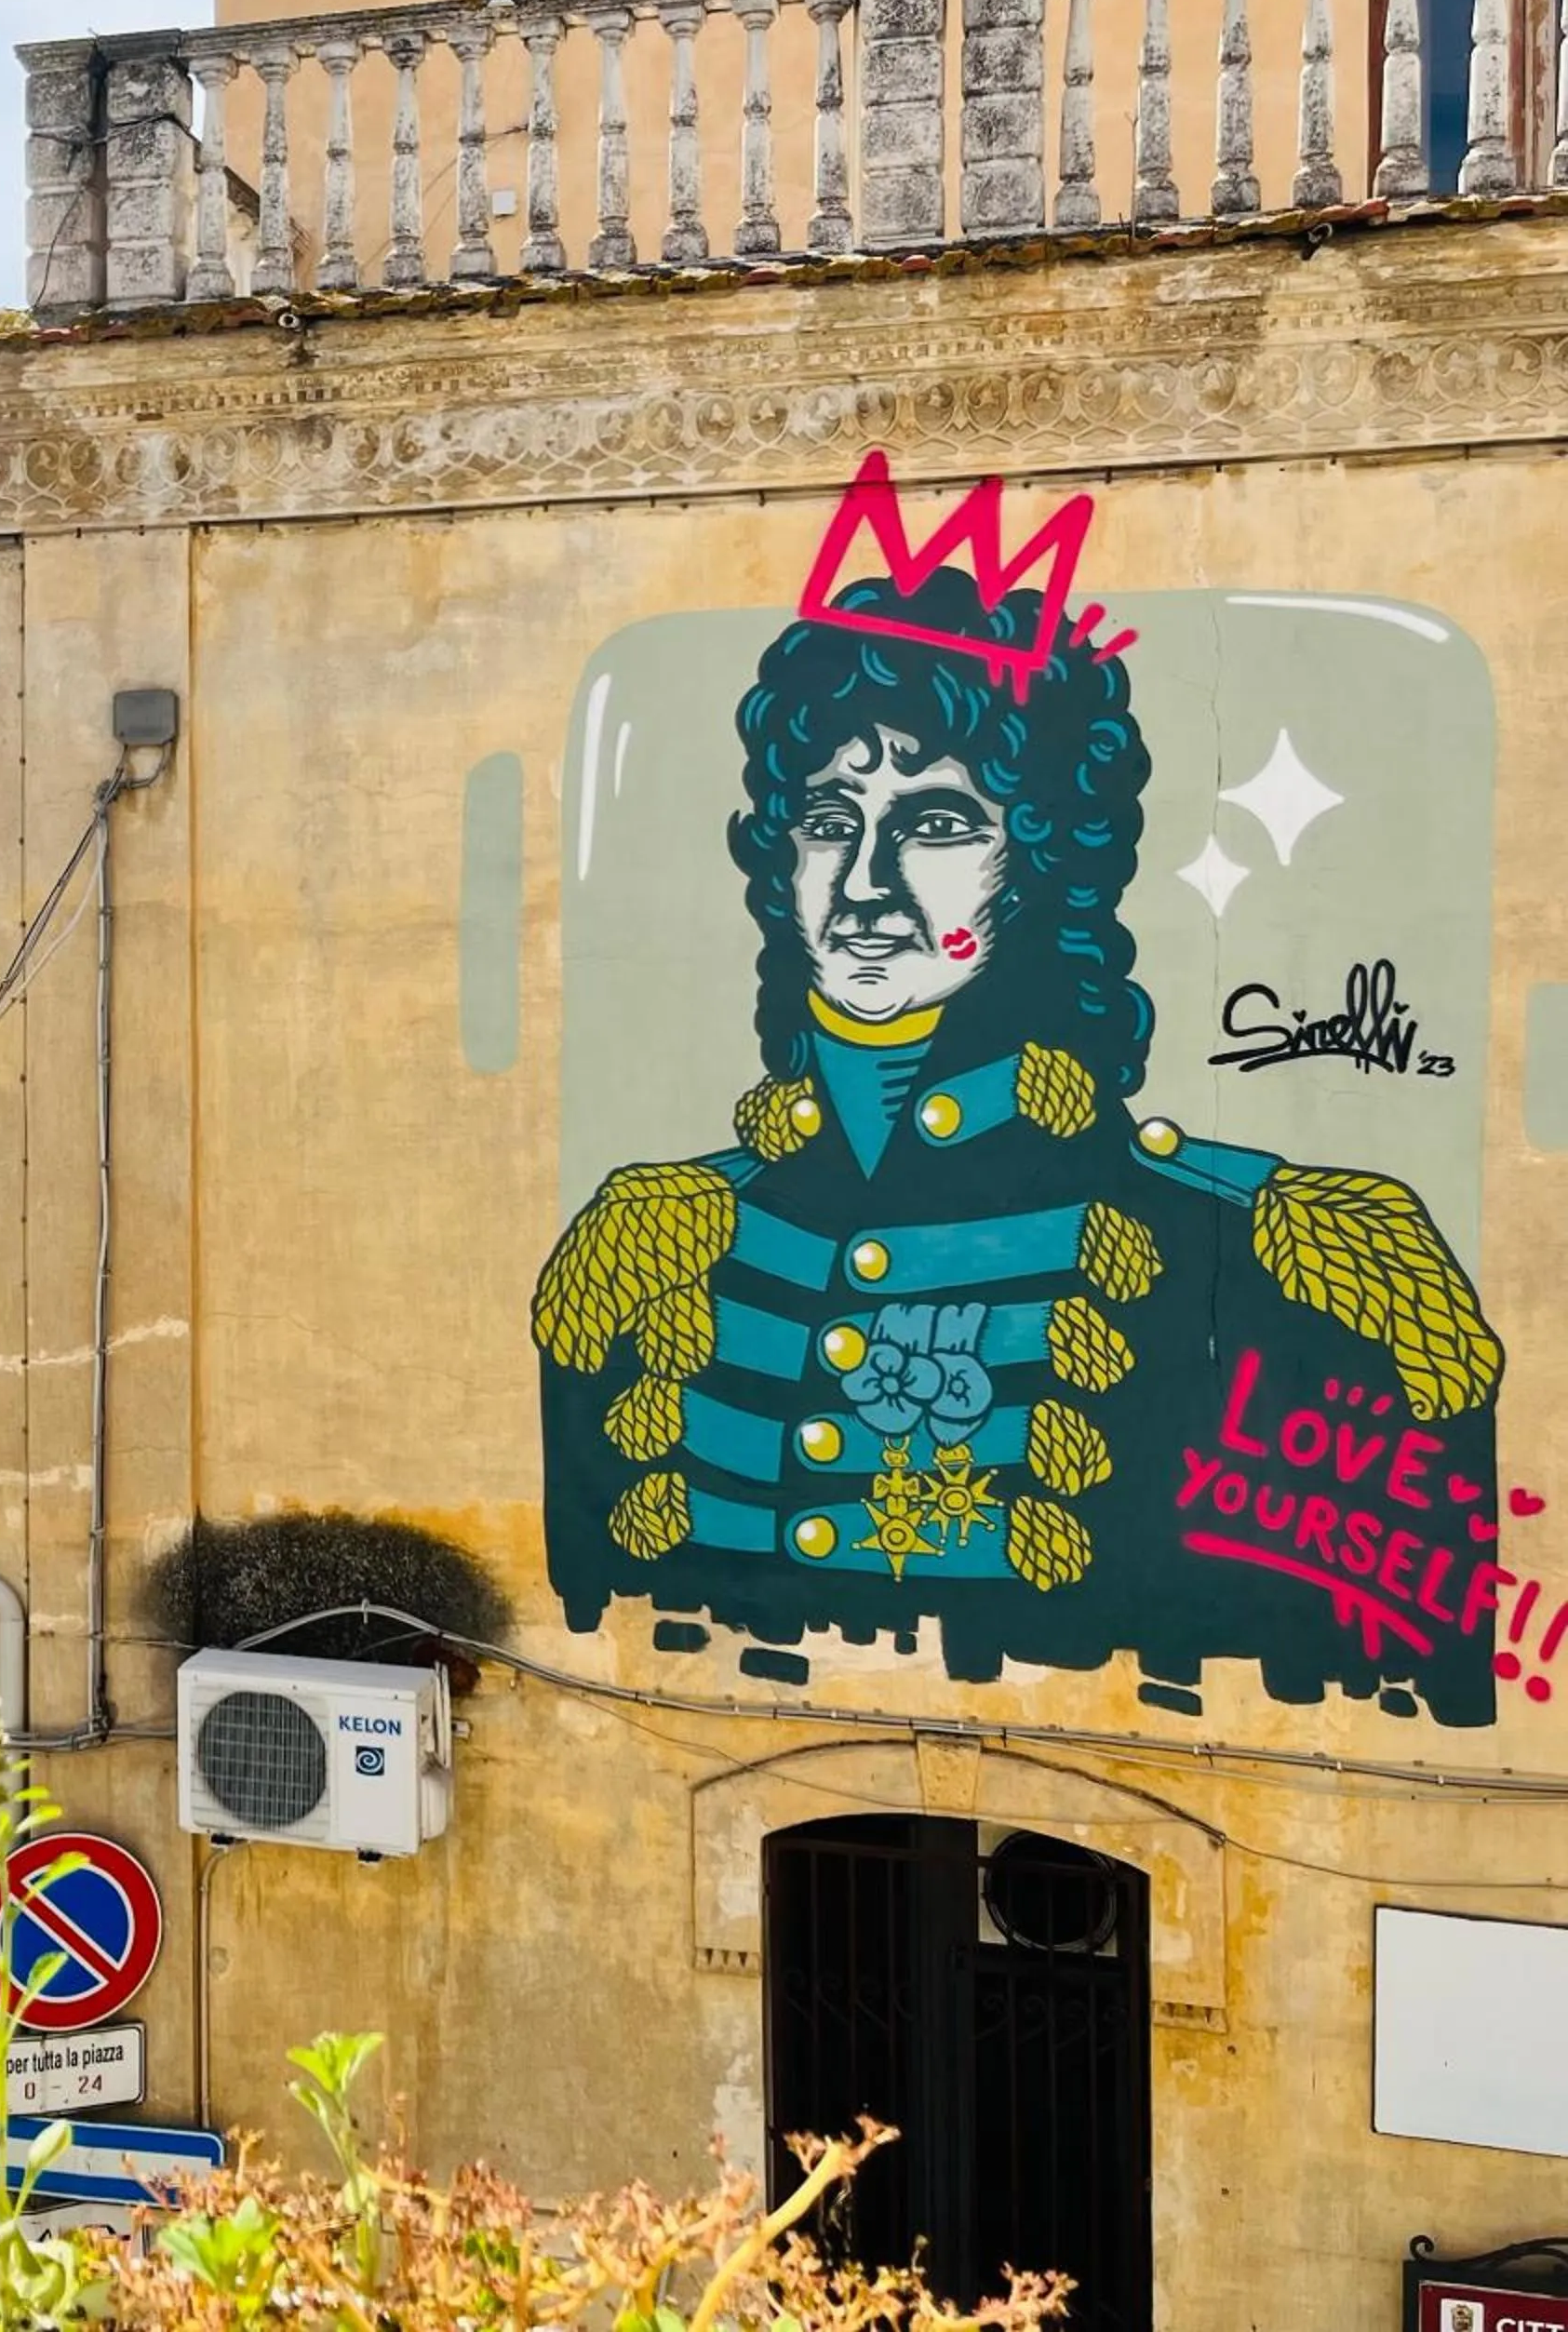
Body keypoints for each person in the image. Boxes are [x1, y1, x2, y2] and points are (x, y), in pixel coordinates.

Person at [534, 562, 1505, 1723]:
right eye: (831, 823)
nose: (866, 883)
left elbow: (1387, 1668)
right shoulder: (648, 1248)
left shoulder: (1281, 1250)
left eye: (936, 825)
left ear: (1039, 871)